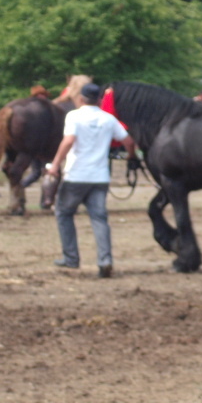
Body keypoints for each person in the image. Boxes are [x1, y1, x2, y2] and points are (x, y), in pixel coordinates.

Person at [47, 82, 136, 278]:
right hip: (100, 177)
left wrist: (55, 164)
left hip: (77, 176)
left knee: (63, 213)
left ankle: (71, 258)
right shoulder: (109, 118)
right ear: (99, 100)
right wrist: (131, 156)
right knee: (99, 218)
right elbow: (128, 141)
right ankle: (105, 260)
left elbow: (69, 140)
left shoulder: (74, 116)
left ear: (80, 99)